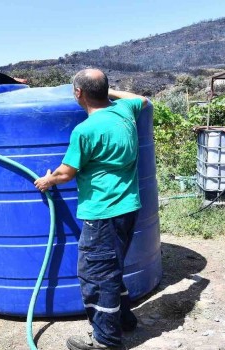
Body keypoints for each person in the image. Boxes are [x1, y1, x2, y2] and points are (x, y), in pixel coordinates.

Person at [34, 68, 149, 350]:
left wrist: (47, 180)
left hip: (102, 214)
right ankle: (123, 319)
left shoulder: (85, 130)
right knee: (112, 269)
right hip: (128, 208)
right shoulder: (125, 111)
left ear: (78, 93)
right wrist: (106, 91)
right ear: (106, 91)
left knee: (97, 277)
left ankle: (106, 341)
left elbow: (66, 173)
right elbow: (142, 99)